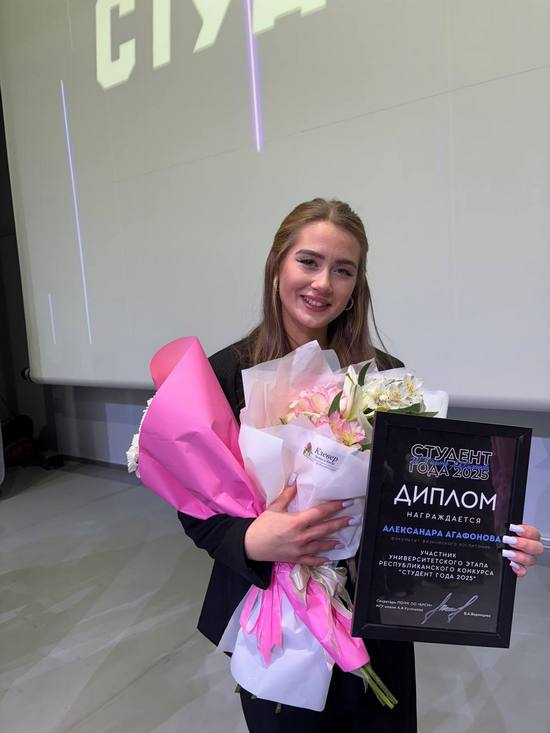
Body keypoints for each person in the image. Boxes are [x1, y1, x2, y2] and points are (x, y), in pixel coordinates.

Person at [178, 198, 544, 732]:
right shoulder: (227, 375)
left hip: (377, 619)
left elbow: (423, 497)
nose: (323, 283)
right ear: (277, 264)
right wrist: (254, 540)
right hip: (270, 621)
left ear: (357, 284)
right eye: (308, 261)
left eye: (343, 270)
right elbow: (196, 508)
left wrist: (492, 540)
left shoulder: (386, 377)